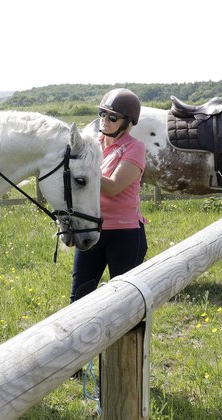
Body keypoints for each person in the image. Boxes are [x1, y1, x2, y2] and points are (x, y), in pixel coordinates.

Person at [71, 88, 148, 303]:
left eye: (112, 117)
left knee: (126, 301)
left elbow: (114, 186)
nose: (105, 120)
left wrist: (84, 171)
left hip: (125, 234)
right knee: (78, 297)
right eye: (102, 114)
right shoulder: (92, 144)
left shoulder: (135, 148)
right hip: (91, 227)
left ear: (127, 122)